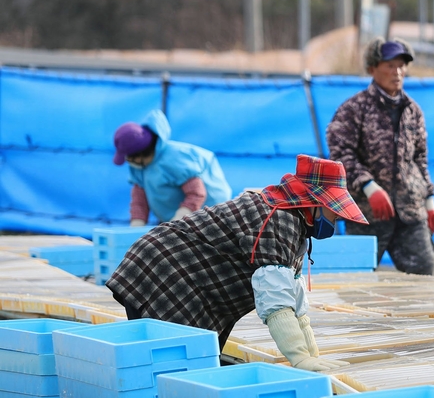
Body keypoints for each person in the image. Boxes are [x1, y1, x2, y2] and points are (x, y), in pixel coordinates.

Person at [106, 155, 367, 372]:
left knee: (194, 362)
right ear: (312, 202)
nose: (335, 217)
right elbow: (276, 302)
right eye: (332, 209)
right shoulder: (279, 220)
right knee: (174, 368)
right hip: (163, 273)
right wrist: (299, 358)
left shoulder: (296, 224)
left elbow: (295, 303)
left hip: (186, 279)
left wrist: (313, 356)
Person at [326, 38, 434, 275]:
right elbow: (340, 155)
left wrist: (429, 200)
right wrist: (369, 186)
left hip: (410, 213)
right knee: (354, 285)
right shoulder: (353, 109)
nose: (397, 72)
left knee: (428, 278)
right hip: (367, 214)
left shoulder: (413, 111)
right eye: (389, 65)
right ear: (372, 69)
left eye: (401, 65)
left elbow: (419, 160)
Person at [112, 109, 232, 226]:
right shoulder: (138, 167)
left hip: (208, 216)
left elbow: (196, 194)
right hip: (175, 221)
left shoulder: (175, 160)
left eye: (129, 158)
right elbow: (139, 202)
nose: (128, 162)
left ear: (140, 155)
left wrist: (177, 222)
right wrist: (135, 229)